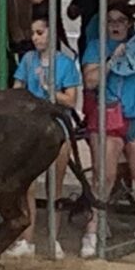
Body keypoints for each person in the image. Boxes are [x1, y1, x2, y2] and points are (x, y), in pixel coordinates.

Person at [81, 1, 135, 258]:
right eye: (111, 21)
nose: (115, 25)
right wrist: (111, 60)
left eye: (120, 21)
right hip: (109, 116)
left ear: (129, 23)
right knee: (103, 179)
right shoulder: (96, 46)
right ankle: (92, 231)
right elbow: (90, 80)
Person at [9, 13, 86, 257]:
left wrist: (48, 90)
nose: (35, 38)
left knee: (56, 186)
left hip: (55, 127)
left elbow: (71, 100)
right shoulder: (28, 60)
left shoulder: (64, 63)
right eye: (33, 33)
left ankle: (53, 238)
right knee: (27, 187)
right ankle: (26, 240)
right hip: (30, 128)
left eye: (40, 33)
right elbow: (17, 90)